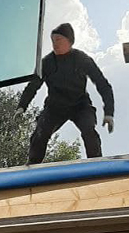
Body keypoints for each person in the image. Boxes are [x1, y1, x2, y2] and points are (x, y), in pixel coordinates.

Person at [17, 23, 114, 164]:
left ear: (70, 41)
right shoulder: (47, 63)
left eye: (58, 40)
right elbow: (33, 86)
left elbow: (102, 84)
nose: (54, 44)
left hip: (80, 105)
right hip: (55, 107)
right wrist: (22, 106)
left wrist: (109, 112)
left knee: (89, 129)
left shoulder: (82, 59)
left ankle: (96, 162)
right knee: (41, 131)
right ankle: (33, 164)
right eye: (53, 40)